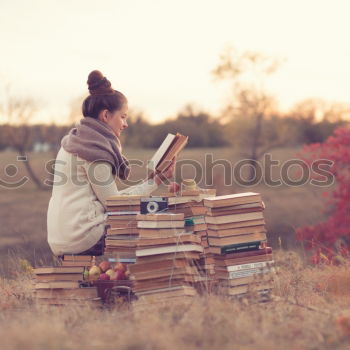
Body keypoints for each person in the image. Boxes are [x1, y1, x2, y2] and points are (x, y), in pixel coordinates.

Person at [47, 70, 176, 257]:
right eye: (123, 116)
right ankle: (159, 280)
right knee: (161, 219)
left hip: (62, 237)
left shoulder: (75, 141)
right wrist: (156, 181)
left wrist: (153, 182)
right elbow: (116, 205)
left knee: (151, 211)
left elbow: (110, 199)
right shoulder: (93, 151)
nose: (126, 124)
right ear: (106, 116)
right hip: (83, 238)